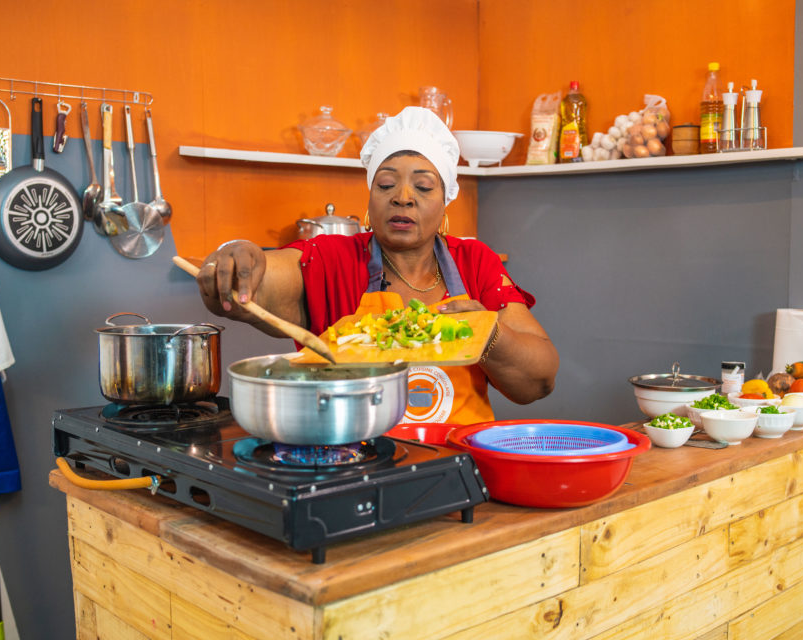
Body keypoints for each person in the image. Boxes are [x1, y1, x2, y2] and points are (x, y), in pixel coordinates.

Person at [195, 106, 558, 425]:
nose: (402, 197)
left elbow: (539, 380)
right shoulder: (331, 259)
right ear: (370, 196)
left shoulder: (474, 262)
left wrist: (487, 334)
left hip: (458, 467)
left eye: (424, 187)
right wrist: (237, 259)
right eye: (386, 184)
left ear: (445, 200)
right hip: (354, 462)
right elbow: (257, 283)